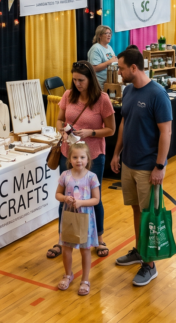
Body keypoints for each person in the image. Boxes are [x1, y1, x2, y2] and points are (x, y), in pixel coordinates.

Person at [110, 47, 172, 287]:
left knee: (150, 216)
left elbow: (166, 131)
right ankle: (140, 251)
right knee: (136, 210)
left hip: (148, 166)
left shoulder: (157, 94)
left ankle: (150, 264)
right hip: (128, 163)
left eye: (122, 68)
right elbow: (125, 121)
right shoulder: (127, 91)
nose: (119, 72)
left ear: (134, 68)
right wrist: (117, 153)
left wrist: (160, 165)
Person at [48, 62, 115, 261]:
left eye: (81, 80)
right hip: (68, 153)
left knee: (95, 198)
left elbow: (111, 130)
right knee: (66, 197)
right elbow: (59, 119)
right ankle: (63, 239)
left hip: (93, 156)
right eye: (74, 79)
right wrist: (63, 129)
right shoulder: (68, 95)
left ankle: (99, 238)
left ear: (90, 79)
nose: (77, 83)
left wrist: (90, 132)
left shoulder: (102, 100)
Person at [54, 142, 101, 295]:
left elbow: (96, 200)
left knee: (85, 250)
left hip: (85, 219)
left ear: (88, 158)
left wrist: (81, 202)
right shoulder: (65, 175)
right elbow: (58, 195)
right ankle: (68, 275)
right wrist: (65, 199)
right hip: (69, 217)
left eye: (82, 157)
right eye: (75, 157)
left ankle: (85, 279)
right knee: (66, 249)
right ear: (69, 159)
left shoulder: (92, 177)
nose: (78, 160)